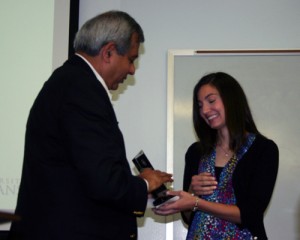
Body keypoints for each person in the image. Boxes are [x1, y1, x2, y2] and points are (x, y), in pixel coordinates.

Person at [8, 10, 173, 240]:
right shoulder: (82, 89)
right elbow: (104, 181)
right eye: (131, 59)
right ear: (108, 52)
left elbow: (85, 177)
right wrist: (146, 183)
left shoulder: (69, 82)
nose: (132, 70)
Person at [153, 72, 279, 239]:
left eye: (211, 101)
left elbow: (249, 215)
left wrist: (197, 202)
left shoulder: (263, 149)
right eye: (199, 105)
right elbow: (188, 217)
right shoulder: (196, 152)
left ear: (231, 100)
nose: (204, 110)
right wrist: (191, 193)